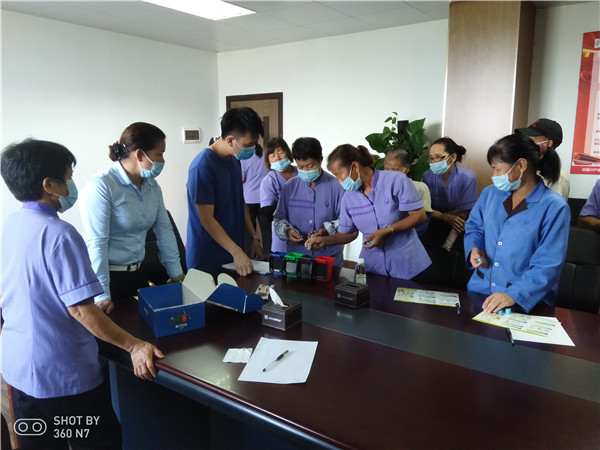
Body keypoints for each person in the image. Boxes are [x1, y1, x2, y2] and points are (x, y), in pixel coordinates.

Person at [1, 139, 163, 449]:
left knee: (40, 443)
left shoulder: (12, 224)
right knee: (97, 441)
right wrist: (134, 346)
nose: (71, 186)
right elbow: (80, 310)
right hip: (61, 376)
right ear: (49, 185)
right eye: (68, 178)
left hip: (20, 369)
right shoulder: (60, 234)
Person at [80, 122, 185, 314]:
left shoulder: (152, 186)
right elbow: (96, 243)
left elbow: (164, 231)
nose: (163, 160)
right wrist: (102, 295)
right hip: (109, 279)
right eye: (160, 154)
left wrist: (176, 274)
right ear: (139, 155)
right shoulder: (102, 186)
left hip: (139, 275)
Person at [464, 134, 570, 313]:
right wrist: (475, 248)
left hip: (525, 301)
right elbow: (475, 227)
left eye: (498, 169)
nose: (494, 176)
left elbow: (548, 263)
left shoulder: (554, 207)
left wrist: (513, 294)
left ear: (521, 165)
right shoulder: (490, 194)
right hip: (481, 292)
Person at [306, 144, 431, 279]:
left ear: (355, 167)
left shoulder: (396, 180)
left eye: (339, 175)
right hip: (373, 267)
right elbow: (349, 233)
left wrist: (388, 230)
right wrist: (324, 241)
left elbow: (419, 215)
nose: (339, 181)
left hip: (407, 264)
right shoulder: (348, 197)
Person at [186, 107, 265, 275]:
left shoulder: (234, 161)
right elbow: (206, 219)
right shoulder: (202, 166)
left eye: (254, 144)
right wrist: (236, 251)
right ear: (230, 140)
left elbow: (240, 201)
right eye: (247, 145)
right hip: (207, 257)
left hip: (233, 252)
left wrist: (253, 238)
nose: (252, 149)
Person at [273, 137, 345, 266]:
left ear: (320, 160)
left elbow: (346, 222)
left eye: (310, 166)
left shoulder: (337, 186)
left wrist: (327, 230)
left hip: (328, 259)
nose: (306, 171)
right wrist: (288, 231)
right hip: (296, 257)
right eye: (301, 167)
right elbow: (279, 220)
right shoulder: (289, 187)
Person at [422, 137, 478, 234]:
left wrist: (437, 214)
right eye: (431, 158)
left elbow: (464, 212)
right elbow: (424, 209)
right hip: (433, 222)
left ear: (453, 157)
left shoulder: (467, 178)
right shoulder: (427, 177)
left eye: (439, 157)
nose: (434, 162)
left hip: (458, 222)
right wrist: (444, 217)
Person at [258, 137, 297, 253]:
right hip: (282, 234)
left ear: (288, 153)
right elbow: (268, 213)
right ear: (268, 159)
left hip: (305, 230)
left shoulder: (301, 173)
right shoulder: (269, 181)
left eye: (280, 152)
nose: (277, 158)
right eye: (272, 155)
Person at [515, 118, 570, 200]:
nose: (527, 141)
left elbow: (553, 205)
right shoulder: (528, 168)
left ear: (549, 143)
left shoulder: (557, 176)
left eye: (533, 138)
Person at [384, 148, 433, 237]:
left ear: (407, 169)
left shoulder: (420, 188)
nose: (390, 174)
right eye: (386, 170)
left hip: (407, 237)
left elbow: (423, 221)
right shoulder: (380, 188)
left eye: (394, 170)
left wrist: (398, 235)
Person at [241, 142, 269, 236]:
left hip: (249, 198)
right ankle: (267, 246)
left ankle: (253, 245)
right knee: (266, 230)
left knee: (250, 231)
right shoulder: (265, 154)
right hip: (265, 198)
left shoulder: (244, 157)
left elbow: (242, 178)